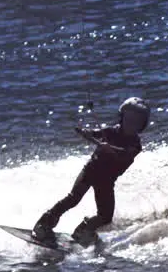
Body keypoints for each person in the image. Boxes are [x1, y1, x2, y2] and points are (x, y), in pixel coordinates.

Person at [33, 97, 150, 247]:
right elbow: (96, 133)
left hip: (106, 181)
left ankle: (83, 230)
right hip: (91, 171)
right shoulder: (111, 131)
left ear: (142, 125)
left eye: (136, 121)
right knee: (73, 198)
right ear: (122, 117)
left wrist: (110, 148)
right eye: (129, 119)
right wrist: (85, 133)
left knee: (105, 217)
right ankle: (43, 225)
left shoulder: (136, 145)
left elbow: (124, 154)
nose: (131, 124)